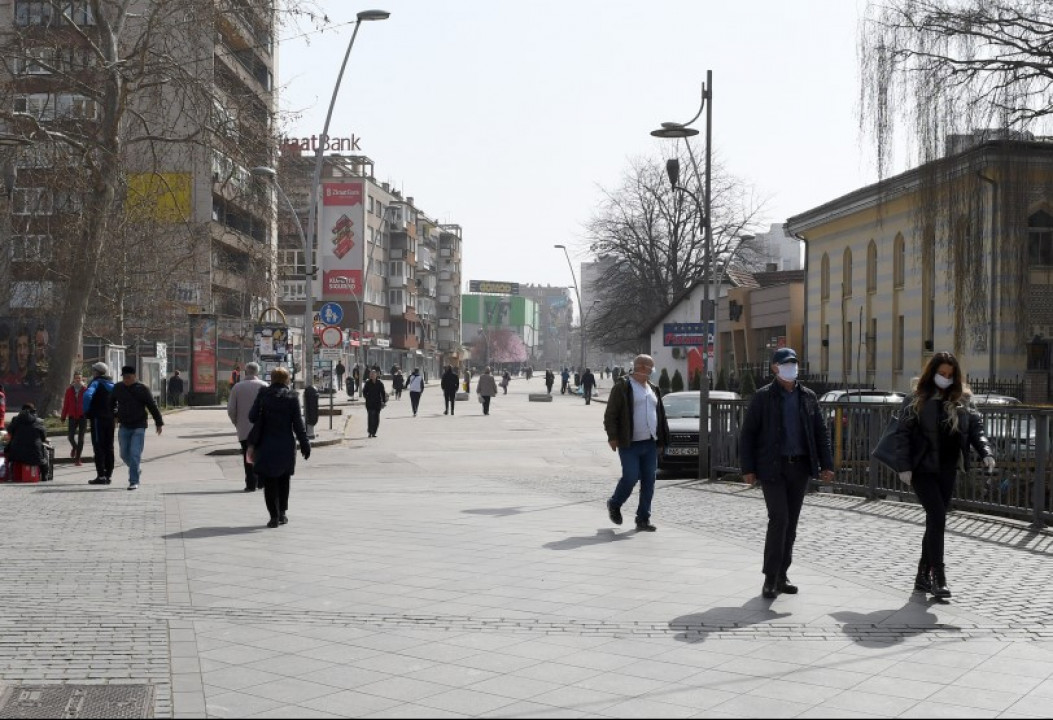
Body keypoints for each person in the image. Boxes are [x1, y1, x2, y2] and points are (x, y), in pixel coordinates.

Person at [886, 351, 995, 599]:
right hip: (922, 468)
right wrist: (904, 466)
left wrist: (986, 451)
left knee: (935, 521)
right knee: (937, 516)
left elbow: (976, 430)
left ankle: (922, 576)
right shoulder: (916, 399)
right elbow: (902, 434)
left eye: (950, 375)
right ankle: (939, 577)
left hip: (947, 468)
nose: (945, 378)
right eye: (941, 373)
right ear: (932, 373)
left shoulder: (962, 400)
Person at [740, 348, 836, 599]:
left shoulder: (808, 396)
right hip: (772, 467)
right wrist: (748, 468)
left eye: (793, 363)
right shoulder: (763, 396)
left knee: (791, 523)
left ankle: (782, 574)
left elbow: (820, 432)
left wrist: (827, 464)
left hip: (799, 467)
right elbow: (748, 434)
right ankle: (770, 577)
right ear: (774, 368)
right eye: (785, 364)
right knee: (779, 519)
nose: (791, 367)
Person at [603, 354, 669, 532]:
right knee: (631, 477)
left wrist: (662, 440)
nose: (653, 371)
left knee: (649, 481)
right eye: (651, 368)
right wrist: (612, 437)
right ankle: (614, 503)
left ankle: (643, 518)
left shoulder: (653, 388)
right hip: (629, 443)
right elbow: (611, 414)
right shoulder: (623, 386)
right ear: (641, 367)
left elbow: (660, 415)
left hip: (650, 443)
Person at [248, 367, 310, 528]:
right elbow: (298, 424)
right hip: (285, 445)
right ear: (287, 379)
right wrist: (305, 444)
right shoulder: (292, 397)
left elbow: (252, 417)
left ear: (272, 378)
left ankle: (273, 517)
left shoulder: (263, 395)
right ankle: (282, 513)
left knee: (269, 481)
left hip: (266, 444)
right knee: (284, 479)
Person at [109, 365, 164, 490]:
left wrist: (159, 422)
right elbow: (111, 403)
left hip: (139, 426)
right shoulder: (118, 387)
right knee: (124, 454)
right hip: (124, 425)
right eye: (124, 377)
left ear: (134, 376)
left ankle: (133, 481)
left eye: (128, 377)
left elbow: (152, 406)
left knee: (135, 454)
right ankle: (136, 469)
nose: (126, 380)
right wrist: (115, 415)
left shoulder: (142, 388)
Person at [227, 362, 267, 492]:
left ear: (245, 372)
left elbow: (231, 409)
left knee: (247, 455)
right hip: (262, 429)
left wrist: (236, 422)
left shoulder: (237, 387)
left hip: (244, 428)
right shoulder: (264, 386)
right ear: (257, 372)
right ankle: (261, 481)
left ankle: (250, 483)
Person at [83, 362, 116, 485]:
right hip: (111, 419)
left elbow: (87, 395)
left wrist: (86, 411)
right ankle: (108, 475)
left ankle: (101, 476)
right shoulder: (112, 384)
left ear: (96, 372)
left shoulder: (96, 383)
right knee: (109, 446)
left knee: (98, 447)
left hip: (98, 419)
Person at [6, 403, 49, 479]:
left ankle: (11, 474)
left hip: (16, 454)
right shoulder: (38, 421)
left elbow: (9, 431)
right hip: (35, 454)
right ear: (33, 411)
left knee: (9, 448)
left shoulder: (15, 420)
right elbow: (43, 437)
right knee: (43, 451)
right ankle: (44, 475)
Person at [60, 371, 87, 466]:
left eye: (79, 378)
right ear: (74, 379)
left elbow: (89, 402)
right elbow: (66, 404)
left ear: (82, 379)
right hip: (72, 416)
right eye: (76, 378)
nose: (78, 380)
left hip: (82, 416)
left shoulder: (85, 389)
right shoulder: (69, 390)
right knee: (70, 437)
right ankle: (75, 447)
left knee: (81, 439)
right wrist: (63, 416)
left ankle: (78, 459)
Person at [362, 368, 388, 438]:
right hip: (369, 403)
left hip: (377, 403)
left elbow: (383, 393)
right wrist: (367, 397)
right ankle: (370, 432)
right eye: (371, 374)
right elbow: (364, 392)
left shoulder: (379, 383)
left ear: (376, 375)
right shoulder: (367, 383)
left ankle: (374, 432)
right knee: (370, 418)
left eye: (373, 374)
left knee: (376, 418)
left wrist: (384, 401)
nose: (372, 375)